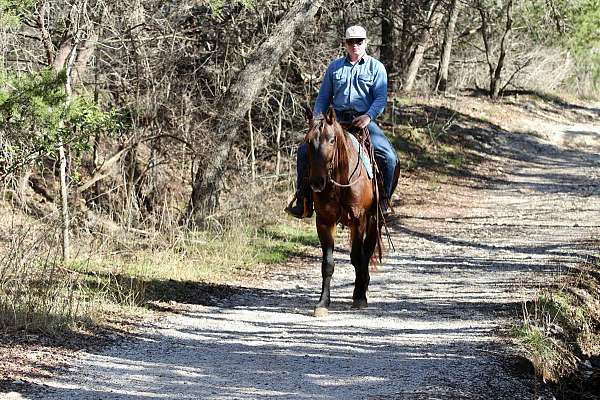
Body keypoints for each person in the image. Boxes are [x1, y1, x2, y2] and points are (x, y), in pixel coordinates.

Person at [286, 25, 398, 218]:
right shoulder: (335, 67)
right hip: (334, 122)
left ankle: (383, 202)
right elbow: (323, 97)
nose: (355, 45)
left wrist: (368, 116)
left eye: (359, 41)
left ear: (366, 42)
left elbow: (380, 98)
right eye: (351, 42)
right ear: (345, 44)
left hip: (363, 120)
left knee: (389, 157)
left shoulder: (376, 67)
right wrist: (318, 120)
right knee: (305, 150)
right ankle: (304, 200)